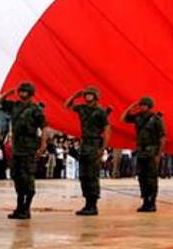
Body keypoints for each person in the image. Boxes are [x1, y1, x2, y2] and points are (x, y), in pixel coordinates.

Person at [0, 80, 47, 221]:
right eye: (20, 91)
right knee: (17, 177)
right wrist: (10, 92)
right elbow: (0, 102)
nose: (21, 94)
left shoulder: (36, 109)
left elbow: (44, 127)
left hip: (29, 148)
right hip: (17, 148)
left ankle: (26, 208)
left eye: (24, 91)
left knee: (28, 178)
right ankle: (19, 207)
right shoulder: (16, 106)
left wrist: (43, 145)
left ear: (31, 94)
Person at [64, 86, 110, 216]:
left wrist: (103, 148)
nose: (88, 97)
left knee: (92, 175)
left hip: (94, 143)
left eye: (90, 95)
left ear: (95, 97)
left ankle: (93, 205)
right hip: (84, 144)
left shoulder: (100, 111)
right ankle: (87, 203)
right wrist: (75, 95)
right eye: (86, 95)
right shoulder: (83, 108)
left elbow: (107, 129)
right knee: (83, 175)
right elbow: (67, 105)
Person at [121, 96, 165, 213]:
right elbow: (123, 118)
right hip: (141, 152)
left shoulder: (156, 119)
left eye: (144, 105)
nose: (141, 107)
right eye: (141, 105)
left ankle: (151, 202)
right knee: (142, 178)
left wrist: (158, 155)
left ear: (149, 106)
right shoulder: (138, 117)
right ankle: (145, 201)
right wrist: (132, 106)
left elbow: (162, 138)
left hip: (152, 151)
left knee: (151, 178)